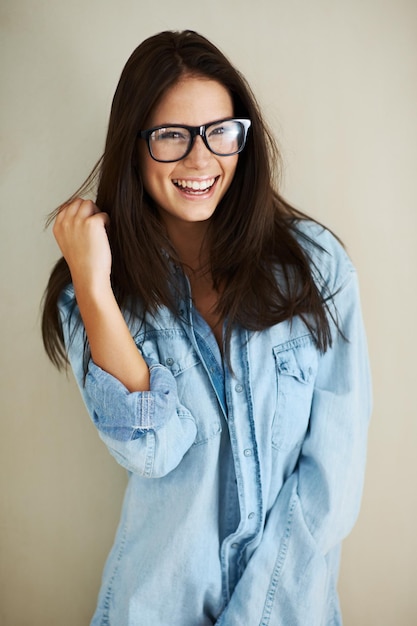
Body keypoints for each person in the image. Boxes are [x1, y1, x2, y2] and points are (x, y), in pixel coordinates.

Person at [41, 29, 371, 626]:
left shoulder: (318, 269)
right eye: (171, 135)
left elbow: (333, 481)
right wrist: (92, 287)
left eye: (220, 132)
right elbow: (150, 448)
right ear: (133, 144)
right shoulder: (95, 295)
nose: (201, 160)